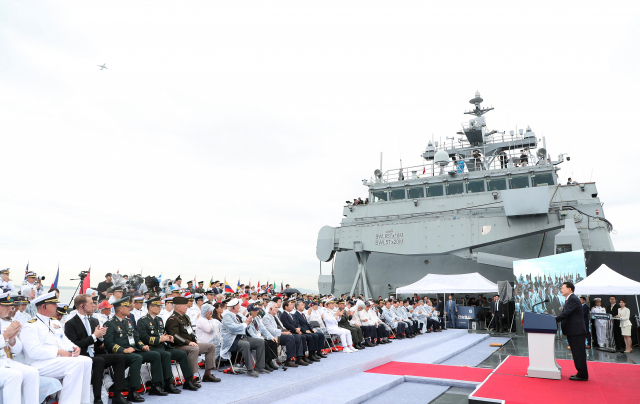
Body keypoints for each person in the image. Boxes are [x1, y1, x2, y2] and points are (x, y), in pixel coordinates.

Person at [21, 291, 93, 404]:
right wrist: (58, 352)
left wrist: (75, 347)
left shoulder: (55, 323)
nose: (56, 306)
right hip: (38, 364)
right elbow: (33, 352)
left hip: (55, 361)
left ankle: (84, 401)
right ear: (44, 306)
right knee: (76, 364)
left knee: (87, 361)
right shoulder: (30, 326)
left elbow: (64, 340)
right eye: (53, 304)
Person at [64, 294, 132, 404]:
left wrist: (100, 337)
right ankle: (97, 398)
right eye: (90, 303)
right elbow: (75, 345)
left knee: (120, 357)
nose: (93, 305)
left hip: (94, 353)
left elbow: (97, 343)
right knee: (99, 361)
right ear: (82, 306)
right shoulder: (70, 324)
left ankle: (117, 394)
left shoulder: (93, 321)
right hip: (82, 355)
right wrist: (94, 336)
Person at [103, 296, 169, 398]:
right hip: (120, 353)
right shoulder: (110, 323)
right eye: (127, 307)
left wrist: (143, 346)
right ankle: (132, 391)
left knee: (155, 355)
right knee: (137, 358)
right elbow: (108, 343)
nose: (130, 308)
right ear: (120, 309)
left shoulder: (128, 322)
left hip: (134, 350)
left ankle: (156, 385)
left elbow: (136, 338)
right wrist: (123, 350)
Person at [137, 296, 201, 391]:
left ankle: (188, 380)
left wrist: (168, 338)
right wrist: (160, 339)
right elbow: (144, 338)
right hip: (152, 348)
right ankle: (168, 383)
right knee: (166, 355)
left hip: (162, 346)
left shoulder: (159, 319)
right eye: (157, 306)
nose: (160, 308)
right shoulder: (142, 321)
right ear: (150, 307)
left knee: (182, 354)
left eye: (160, 306)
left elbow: (163, 334)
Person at [165, 296, 219, 382]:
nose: (187, 307)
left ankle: (207, 374)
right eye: (185, 306)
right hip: (178, 346)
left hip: (189, 344)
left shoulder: (185, 317)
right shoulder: (173, 319)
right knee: (194, 349)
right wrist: (188, 342)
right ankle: (191, 377)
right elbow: (174, 335)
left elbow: (189, 331)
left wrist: (194, 338)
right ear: (178, 307)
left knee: (210, 346)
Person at [0, 292, 40, 404]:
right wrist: (5, 336)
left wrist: (12, 339)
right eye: (5, 305)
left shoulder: (7, 322)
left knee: (32, 372)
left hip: (4, 361)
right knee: (14, 375)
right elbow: (4, 337)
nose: (10, 308)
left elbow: (17, 350)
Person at [220, 298, 267, 377]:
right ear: (233, 308)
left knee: (260, 341)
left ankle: (259, 366)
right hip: (232, 340)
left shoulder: (237, 315)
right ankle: (250, 369)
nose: (239, 307)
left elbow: (244, 326)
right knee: (245, 344)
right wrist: (245, 323)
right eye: (238, 306)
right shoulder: (227, 316)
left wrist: (248, 323)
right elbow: (233, 328)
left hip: (241, 338)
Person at [554, 282, 588, 381]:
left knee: (578, 353)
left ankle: (582, 375)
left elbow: (566, 313)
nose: (561, 289)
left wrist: (555, 319)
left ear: (570, 289)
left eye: (563, 288)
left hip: (576, 331)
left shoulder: (573, 299)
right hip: (574, 331)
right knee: (576, 352)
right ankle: (580, 372)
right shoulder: (570, 299)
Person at [262, 301, 304, 366]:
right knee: (290, 338)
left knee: (297, 336)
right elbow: (271, 330)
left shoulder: (275, 316)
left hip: (280, 334)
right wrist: (283, 333)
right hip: (274, 336)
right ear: (270, 309)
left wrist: (287, 332)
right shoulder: (266, 317)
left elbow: (282, 326)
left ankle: (298, 358)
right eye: (275, 307)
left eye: (277, 307)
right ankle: (288, 359)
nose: (277, 309)